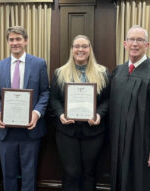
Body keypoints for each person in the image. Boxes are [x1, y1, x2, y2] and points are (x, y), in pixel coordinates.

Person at [109, 25, 150, 191]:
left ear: (147, 45)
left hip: (144, 145)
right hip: (120, 144)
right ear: (124, 43)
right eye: (131, 39)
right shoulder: (118, 72)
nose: (135, 44)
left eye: (140, 40)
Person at [0, 26, 49, 191]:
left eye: (18, 39)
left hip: (31, 130)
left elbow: (45, 92)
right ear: (8, 42)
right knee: (8, 175)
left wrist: (37, 114)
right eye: (11, 39)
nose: (15, 43)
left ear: (26, 41)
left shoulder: (39, 64)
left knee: (29, 175)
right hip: (6, 131)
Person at [50, 35, 109, 191]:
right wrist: (61, 114)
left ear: (89, 49)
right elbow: (54, 99)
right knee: (71, 172)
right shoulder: (60, 73)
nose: (80, 50)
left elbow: (108, 100)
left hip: (93, 131)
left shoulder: (102, 72)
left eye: (84, 46)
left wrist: (99, 115)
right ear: (72, 49)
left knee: (89, 172)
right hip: (67, 132)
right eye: (77, 46)